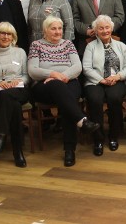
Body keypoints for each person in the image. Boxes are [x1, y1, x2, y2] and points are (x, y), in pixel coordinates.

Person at [28, 16, 100, 167]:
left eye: (59, 28)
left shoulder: (68, 44)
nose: (57, 32)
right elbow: (32, 70)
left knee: (67, 102)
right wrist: (52, 75)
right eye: (53, 28)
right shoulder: (36, 45)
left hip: (69, 82)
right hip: (44, 87)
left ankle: (70, 150)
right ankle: (81, 122)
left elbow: (77, 67)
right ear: (45, 30)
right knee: (59, 89)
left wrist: (63, 76)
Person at [0, 22, 30, 167]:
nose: (5, 36)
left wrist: (17, 81)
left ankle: (1, 134)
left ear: (13, 37)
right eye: (2, 33)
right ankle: (18, 152)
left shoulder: (20, 52)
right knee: (12, 104)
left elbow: (27, 76)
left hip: (19, 89)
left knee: (9, 96)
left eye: (9, 34)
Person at [82, 15, 126, 156]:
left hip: (117, 80)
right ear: (96, 31)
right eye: (101, 28)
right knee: (95, 100)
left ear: (112, 28)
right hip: (95, 81)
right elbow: (86, 68)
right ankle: (98, 139)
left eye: (107, 27)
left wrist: (117, 76)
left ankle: (113, 136)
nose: (104, 31)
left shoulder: (122, 46)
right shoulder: (90, 47)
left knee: (114, 98)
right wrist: (101, 80)